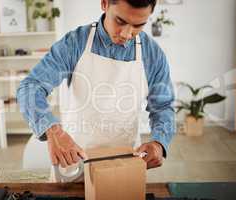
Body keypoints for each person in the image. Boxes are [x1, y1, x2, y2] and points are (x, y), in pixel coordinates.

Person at [17, 0, 175, 171]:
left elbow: (163, 106)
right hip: (74, 161)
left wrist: (159, 143)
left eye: (138, 25)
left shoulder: (153, 54)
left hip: (127, 164)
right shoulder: (75, 43)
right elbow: (31, 87)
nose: (127, 34)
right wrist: (52, 130)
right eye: (120, 21)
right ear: (105, 3)